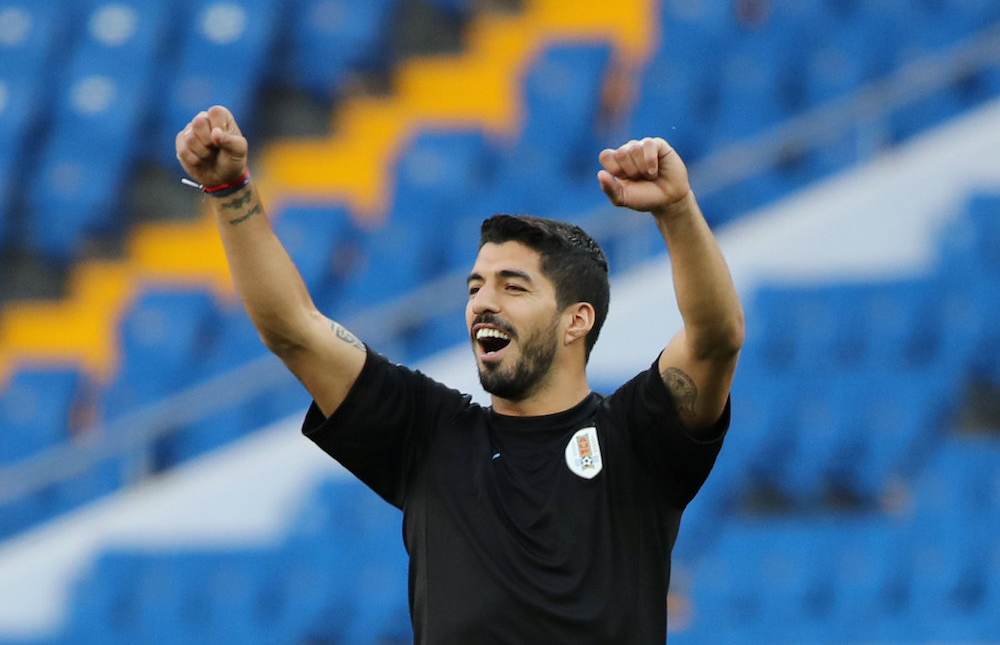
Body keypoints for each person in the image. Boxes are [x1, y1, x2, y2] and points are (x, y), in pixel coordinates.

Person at [175, 105, 744, 643]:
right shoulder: (429, 433)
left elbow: (715, 338)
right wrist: (229, 192)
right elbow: (294, 331)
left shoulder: (635, 438)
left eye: (512, 286)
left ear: (577, 320)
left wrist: (675, 210)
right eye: (475, 286)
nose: (482, 302)